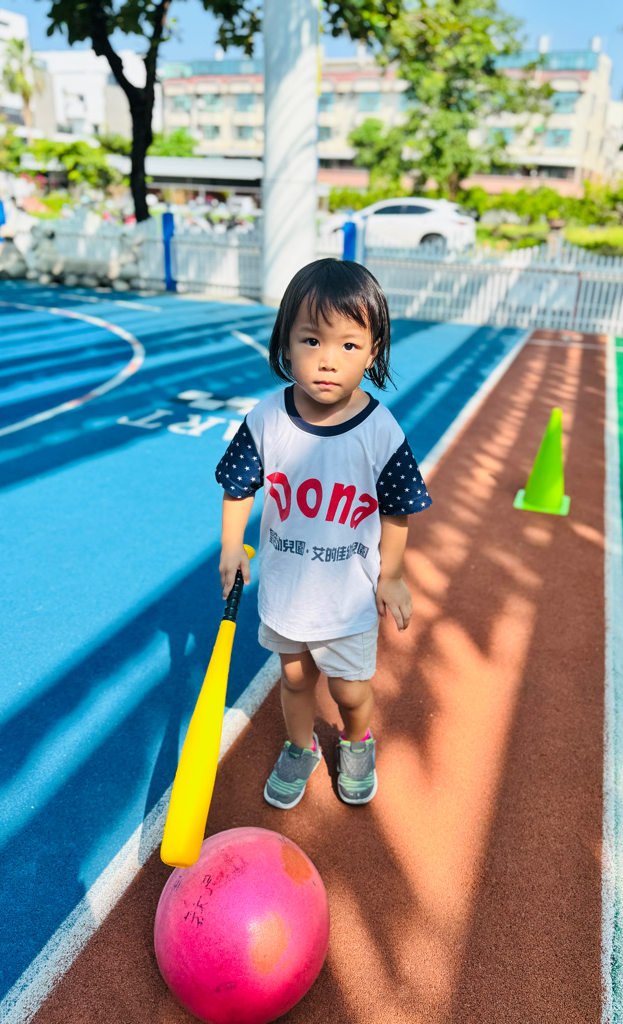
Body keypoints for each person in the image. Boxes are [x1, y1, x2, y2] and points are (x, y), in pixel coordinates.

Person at [215, 258, 432, 808]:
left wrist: (392, 575)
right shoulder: (267, 418)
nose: (328, 360)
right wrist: (231, 546)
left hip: (347, 600)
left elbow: (397, 509)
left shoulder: (380, 431)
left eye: (348, 345)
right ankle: (300, 744)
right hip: (286, 590)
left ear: (373, 351)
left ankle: (357, 741)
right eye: (311, 340)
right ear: (285, 342)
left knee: (349, 690)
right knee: (293, 680)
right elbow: (238, 486)